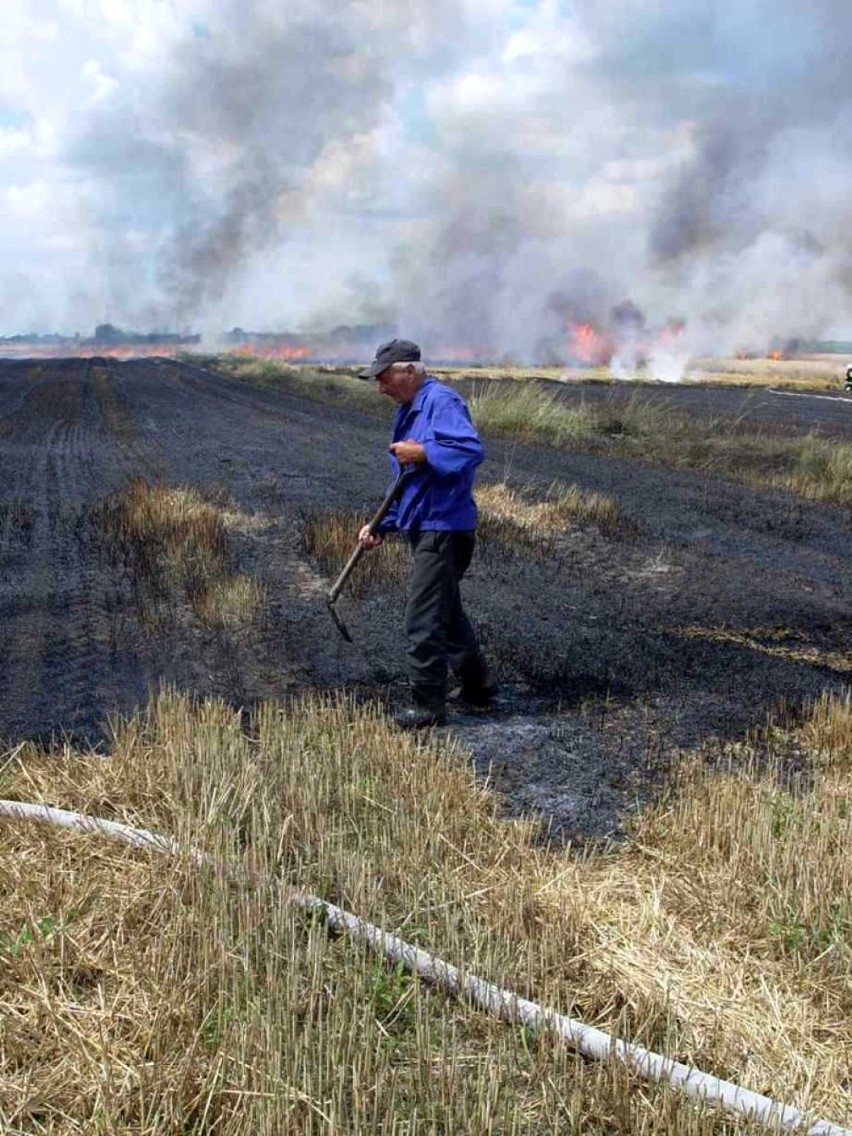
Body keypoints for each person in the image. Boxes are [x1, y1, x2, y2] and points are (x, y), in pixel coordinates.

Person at [358, 337, 497, 729]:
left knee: (423, 618)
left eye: (384, 377)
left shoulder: (441, 402)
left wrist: (422, 452)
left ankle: (427, 705)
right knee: (447, 612)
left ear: (409, 370)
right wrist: (380, 524)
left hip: (445, 528)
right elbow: (407, 482)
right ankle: (478, 686)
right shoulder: (408, 409)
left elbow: (470, 451)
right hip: (426, 525)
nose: (380, 387)